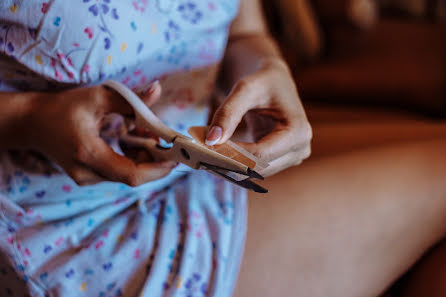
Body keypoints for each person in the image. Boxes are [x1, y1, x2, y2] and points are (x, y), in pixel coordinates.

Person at [0, 1, 445, 297]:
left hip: (199, 159)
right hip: (79, 233)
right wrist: (27, 117)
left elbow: (240, 27)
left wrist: (265, 65)